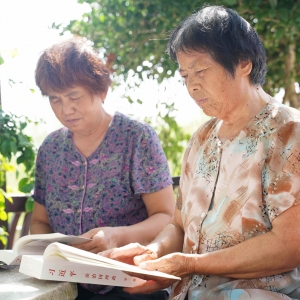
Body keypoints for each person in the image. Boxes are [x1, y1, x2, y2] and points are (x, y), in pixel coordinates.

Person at [99, 5, 300, 300]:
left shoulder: (288, 132)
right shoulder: (201, 138)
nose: (192, 86)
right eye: (184, 76)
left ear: (243, 62)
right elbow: (178, 224)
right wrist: (151, 253)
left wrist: (188, 264)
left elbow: (289, 244)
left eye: (201, 70)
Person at [30, 37, 175, 300]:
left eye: (74, 96)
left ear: (102, 91)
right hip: (65, 285)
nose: (66, 109)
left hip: (130, 284)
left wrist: (117, 237)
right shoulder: (50, 149)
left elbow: (166, 216)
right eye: (55, 100)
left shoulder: (137, 138)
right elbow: (40, 221)